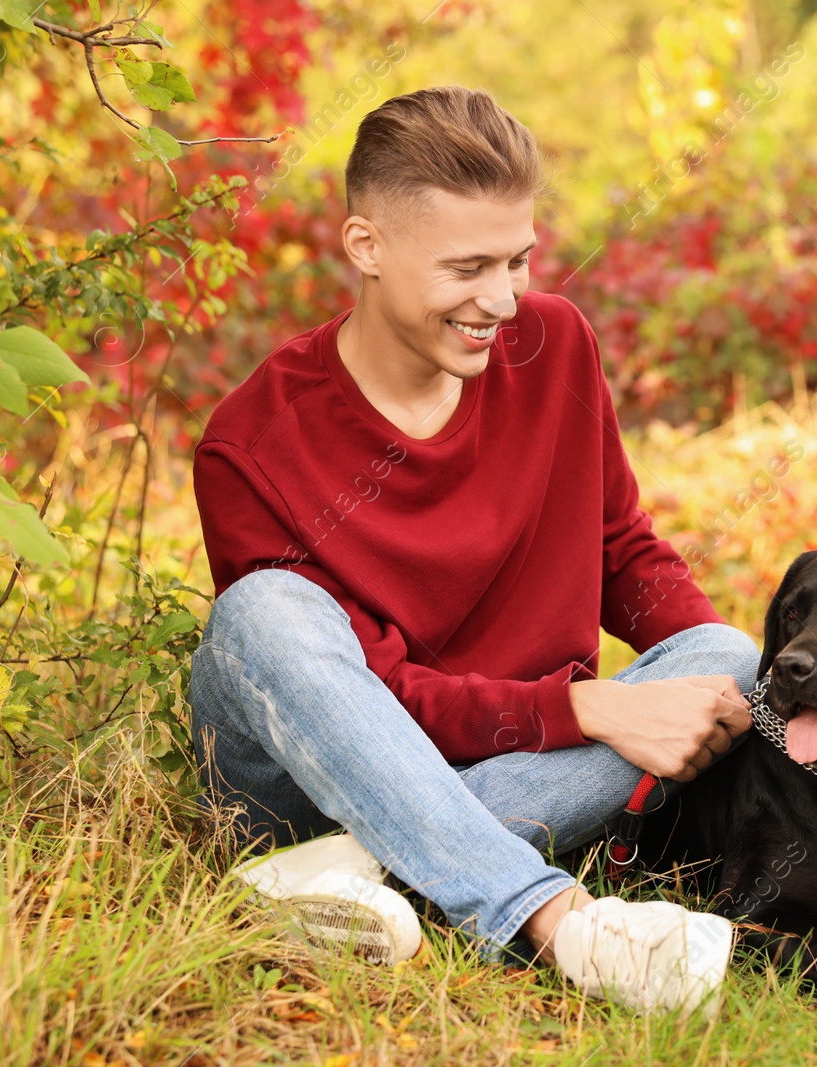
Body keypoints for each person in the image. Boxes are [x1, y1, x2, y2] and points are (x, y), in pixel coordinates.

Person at [187, 85, 760, 1016]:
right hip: (313, 781)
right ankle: (560, 922)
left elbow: (622, 545)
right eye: (467, 268)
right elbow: (372, 699)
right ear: (365, 247)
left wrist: (712, 697)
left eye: (519, 260)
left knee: (729, 655)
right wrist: (588, 708)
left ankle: (344, 877)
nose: (501, 299)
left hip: (511, 758)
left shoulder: (555, 345)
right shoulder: (255, 442)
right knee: (261, 613)